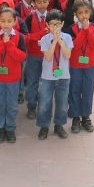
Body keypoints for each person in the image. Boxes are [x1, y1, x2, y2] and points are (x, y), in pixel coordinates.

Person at [0, 6, 27, 143]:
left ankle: (10, 128)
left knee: (12, 104)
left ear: (15, 21)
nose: (6, 24)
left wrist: (9, 45)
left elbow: (22, 57)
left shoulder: (20, 37)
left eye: (9, 21)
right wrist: (1, 45)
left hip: (13, 78)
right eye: (3, 21)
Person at [37, 9, 73, 140]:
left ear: (62, 24)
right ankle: (44, 126)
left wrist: (60, 41)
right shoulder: (45, 39)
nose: (55, 27)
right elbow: (47, 57)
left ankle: (59, 125)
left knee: (62, 103)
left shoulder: (68, 37)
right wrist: (54, 41)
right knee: (44, 102)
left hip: (63, 77)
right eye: (52, 24)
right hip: (47, 77)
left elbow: (67, 55)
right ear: (47, 25)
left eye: (57, 24)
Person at [68, 0, 94, 133]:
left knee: (88, 90)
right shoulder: (71, 29)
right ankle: (75, 116)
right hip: (75, 65)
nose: (84, 16)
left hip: (89, 65)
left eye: (86, 12)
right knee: (75, 89)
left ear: (91, 13)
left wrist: (89, 31)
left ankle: (86, 116)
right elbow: (74, 46)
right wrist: (84, 31)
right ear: (75, 14)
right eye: (80, 13)